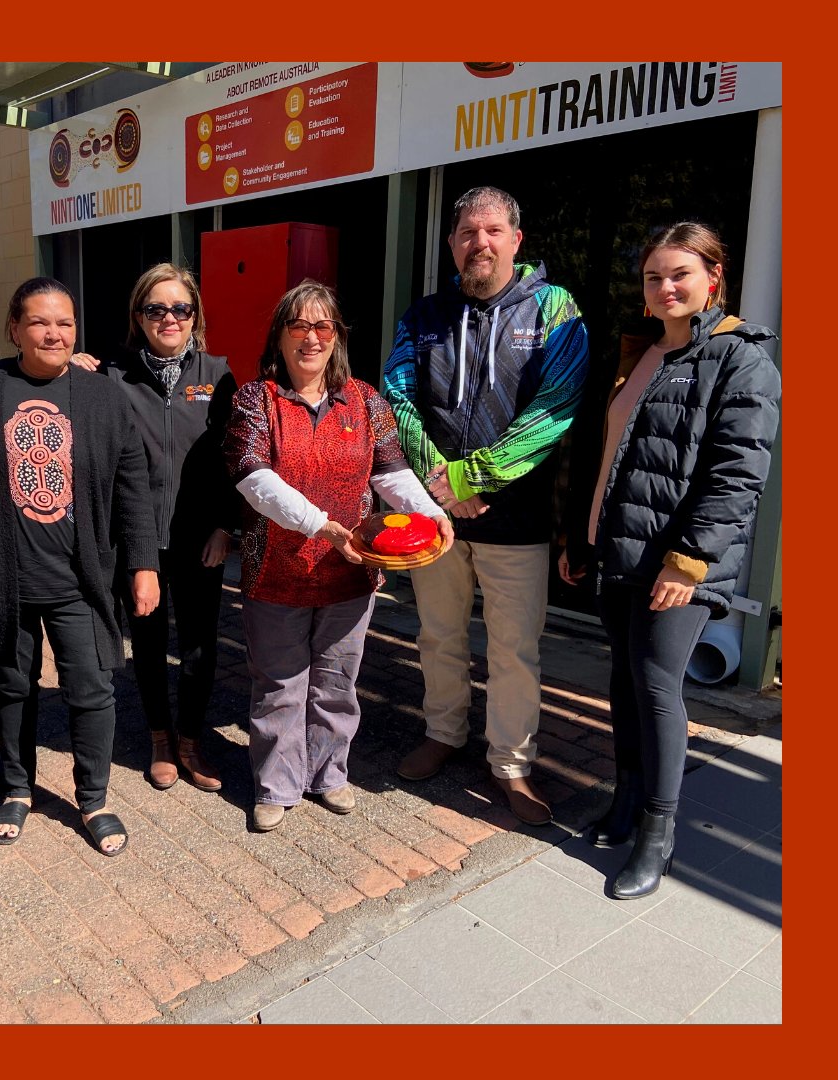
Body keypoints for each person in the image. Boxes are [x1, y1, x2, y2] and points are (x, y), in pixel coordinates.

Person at [558, 221, 780, 898]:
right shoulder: (642, 351)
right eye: (654, 276)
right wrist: (579, 535)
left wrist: (686, 565)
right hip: (617, 549)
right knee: (624, 684)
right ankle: (627, 802)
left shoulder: (743, 361)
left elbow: (736, 478)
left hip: (675, 564)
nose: (665, 287)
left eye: (681, 273)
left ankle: (660, 830)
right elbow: (604, 456)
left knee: (657, 688)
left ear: (714, 278)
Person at [383, 185, 589, 825]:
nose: (481, 242)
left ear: (516, 240)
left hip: (518, 520)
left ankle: (512, 765)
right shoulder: (424, 316)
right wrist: (442, 480)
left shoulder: (556, 310)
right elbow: (396, 395)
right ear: (452, 243)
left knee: (513, 650)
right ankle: (443, 733)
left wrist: (475, 476)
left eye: (493, 230)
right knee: (439, 635)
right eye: (468, 232)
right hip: (436, 516)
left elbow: (556, 407)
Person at [224, 280, 453, 832]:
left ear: (338, 337)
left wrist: (431, 515)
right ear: (279, 335)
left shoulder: (365, 400)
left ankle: (328, 773)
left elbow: (391, 472)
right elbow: (253, 479)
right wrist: (322, 526)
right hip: (275, 572)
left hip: (351, 574)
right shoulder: (255, 400)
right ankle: (276, 785)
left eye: (323, 326)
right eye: (298, 325)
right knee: (280, 684)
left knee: (336, 682)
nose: (311, 337)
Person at [0, 277, 160, 855]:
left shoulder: (101, 395)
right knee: (13, 684)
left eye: (65, 323)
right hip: (6, 576)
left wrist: (143, 564)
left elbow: (132, 484)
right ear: (15, 329)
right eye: (41, 322)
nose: (54, 332)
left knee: (92, 689)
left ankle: (93, 797)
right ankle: (19, 789)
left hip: (82, 579)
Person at [70, 264, 239, 792]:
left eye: (180, 308)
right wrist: (66, 368)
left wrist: (224, 527)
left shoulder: (219, 374)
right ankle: (160, 736)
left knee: (198, 645)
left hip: (199, 537)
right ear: (138, 317)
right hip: (135, 537)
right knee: (145, 639)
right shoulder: (109, 375)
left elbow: (235, 461)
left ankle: (191, 739)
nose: (169, 318)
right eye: (155, 309)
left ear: (195, 316)